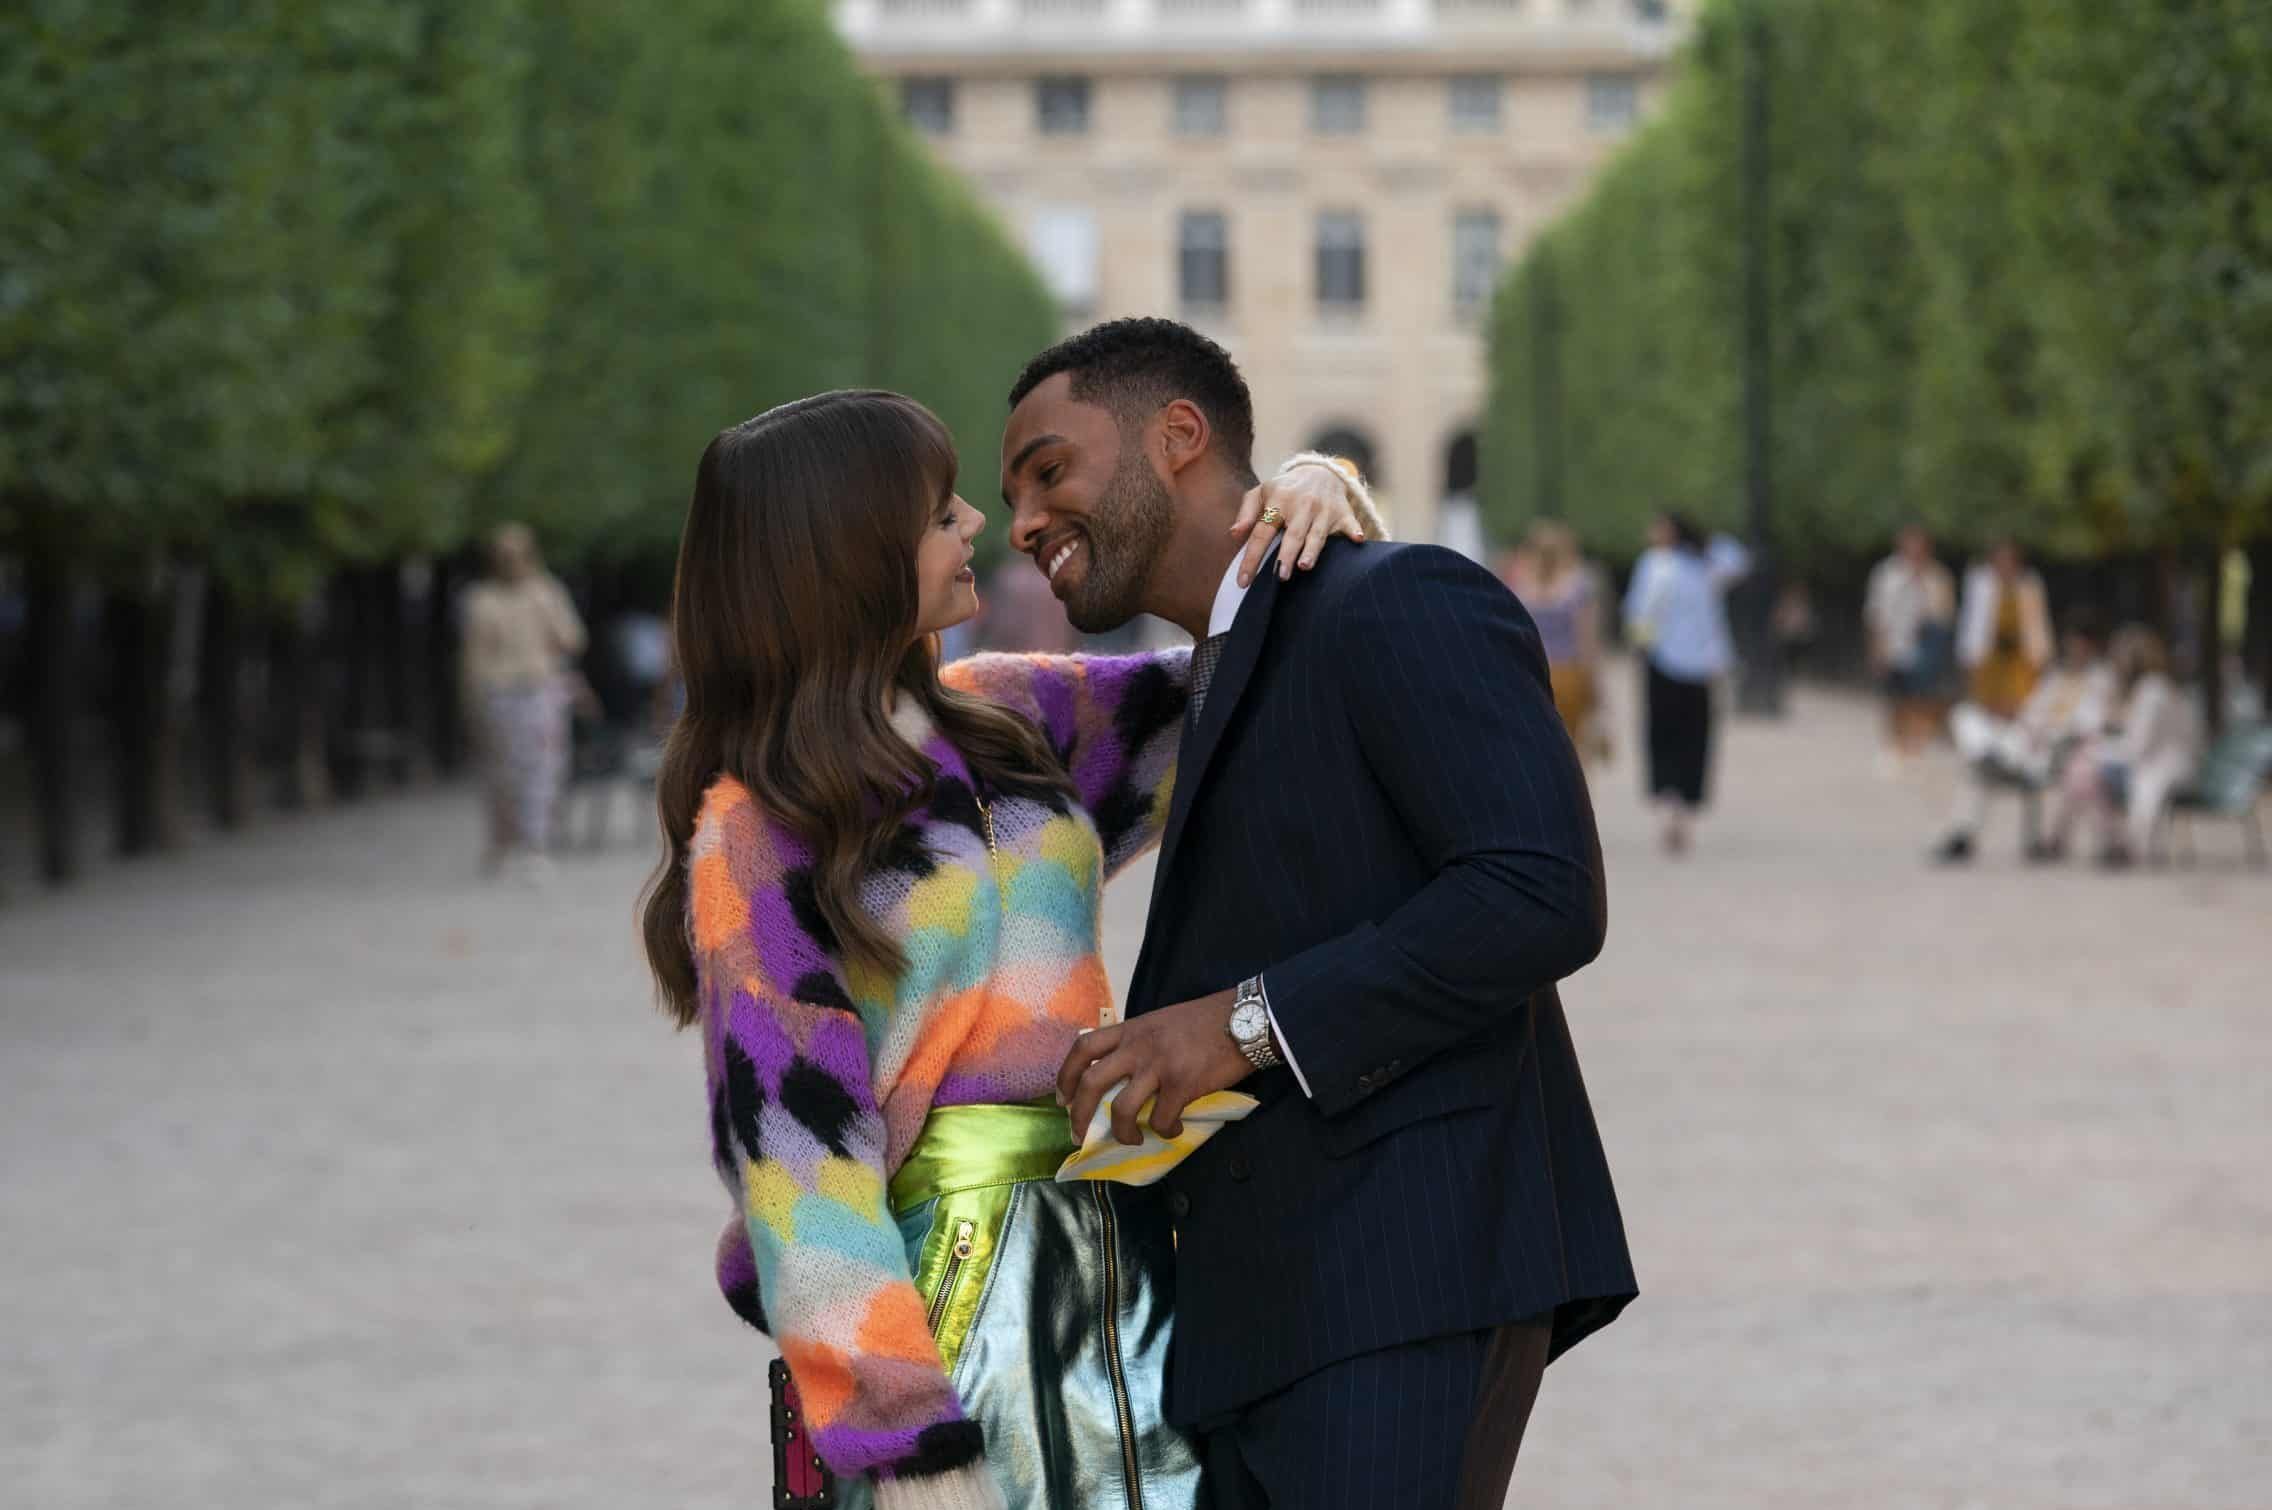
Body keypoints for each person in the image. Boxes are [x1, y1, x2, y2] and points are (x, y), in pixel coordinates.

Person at [639, 388, 1372, 1510]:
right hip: (941, 1306)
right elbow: (800, 1169)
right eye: (937, 513)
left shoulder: (1008, 717)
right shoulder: (757, 830)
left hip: (1124, 1259)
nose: (978, 520)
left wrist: (1314, 498)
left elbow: (1251, 687)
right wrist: (908, 1446)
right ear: (844, 556)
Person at [1017, 319, 1634, 1509]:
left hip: (1399, 1282)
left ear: (1179, 436)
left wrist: (1234, 1025)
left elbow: (1540, 889)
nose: (1025, 519)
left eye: (1050, 470)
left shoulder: (1396, 597)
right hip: (1263, 1319)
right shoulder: (1196, 674)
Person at [1932, 614, 2112, 864]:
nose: (2074, 649)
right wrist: (2019, 720)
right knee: (1965, 718)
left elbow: (2088, 724)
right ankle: (1963, 834)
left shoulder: (2101, 680)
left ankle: (1987, 756)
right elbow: (2031, 710)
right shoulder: (2057, 676)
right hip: (2023, 740)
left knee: (1980, 767)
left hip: (2054, 752)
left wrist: (2048, 732)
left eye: (2080, 644)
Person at [459, 523, 586, 878]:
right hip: (499, 694)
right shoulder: (481, 599)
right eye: (504, 554)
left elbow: (572, 639)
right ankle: (501, 840)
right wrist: (472, 704)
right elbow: (474, 658)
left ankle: (536, 843)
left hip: (540, 689)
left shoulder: (546, 592)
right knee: (501, 773)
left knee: (544, 770)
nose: (510, 561)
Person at [1623, 513, 1751, 856]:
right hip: (1699, 666)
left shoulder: (1657, 564)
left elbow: (1639, 612)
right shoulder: (1705, 566)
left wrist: (1638, 649)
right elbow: (1738, 559)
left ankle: (1670, 806)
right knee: (1694, 738)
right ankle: (1683, 808)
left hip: (1664, 662)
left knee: (1664, 736)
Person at [2043, 624, 2200, 869]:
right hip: (2153, 763)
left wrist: (2100, 751)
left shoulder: (2152, 691)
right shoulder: (2150, 689)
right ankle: (2108, 842)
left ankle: (2112, 843)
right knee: (2084, 771)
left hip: (2163, 767)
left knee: (2086, 769)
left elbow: (2138, 746)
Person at [1514, 520, 1609, 764]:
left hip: (1530, 678)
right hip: (1568, 675)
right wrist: (1596, 684)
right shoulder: (1577, 589)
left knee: (1533, 751)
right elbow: (1586, 640)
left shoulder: (1522, 589)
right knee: (1572, 753)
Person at [1865, 525, 1958, 771]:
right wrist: (1877, 649)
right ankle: (1892, 745)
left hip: (1925, 647)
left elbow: (1945, 613)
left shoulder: (1938, 577)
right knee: (1894, 698)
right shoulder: (1887, 573)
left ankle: (1914, 745)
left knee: (1920, 698)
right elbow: (1876, 613)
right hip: (1894, 644)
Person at [1958, 539, 2053, 720]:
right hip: (1988, 656)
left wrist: (2042, 653)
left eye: (2010, 560)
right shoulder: (1980, 585)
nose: (2006, 566)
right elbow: (1972, 622)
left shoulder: (2030, 585)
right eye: (2001, 560)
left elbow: (2038, 623)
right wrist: (1967, 654)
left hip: (2020, 657)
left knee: (2023, 701)